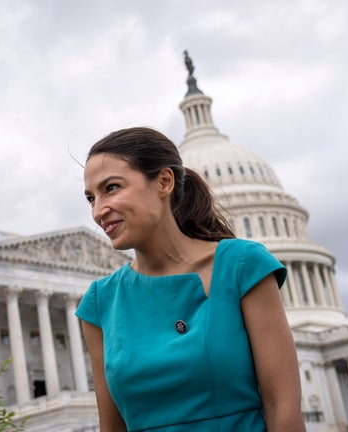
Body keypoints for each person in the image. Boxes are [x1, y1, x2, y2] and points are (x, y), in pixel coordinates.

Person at [76, 127, 306, 432]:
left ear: (164, 181)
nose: (98, 211)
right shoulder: (98, 302)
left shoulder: (241, 265)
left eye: (112, 188)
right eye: (91, 198)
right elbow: (113, 428)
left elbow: (283, 411)